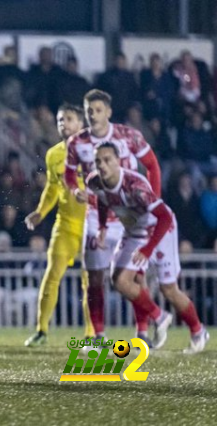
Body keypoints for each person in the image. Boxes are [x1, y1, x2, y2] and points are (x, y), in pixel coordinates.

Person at [88, 142, 208, 354]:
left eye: (107, 160)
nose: (102, 165)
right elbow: (103, 200)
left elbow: (164, 216)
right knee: (119, 280)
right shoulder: (96, 181)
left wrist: (148, 248)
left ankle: (198, 331)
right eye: (98, 161)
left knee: (168, 289)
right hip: (134, 231)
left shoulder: (135, 187)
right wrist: (103, 226)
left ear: (118, 161)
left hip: (159, 230)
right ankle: (159, 317)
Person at [65, 89, 162, 346]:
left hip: (130, 218)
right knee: (95, 278)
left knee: (135, 279)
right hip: (96, 218)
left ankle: (142, 333)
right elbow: (68, 174)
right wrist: (75, 190)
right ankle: (98, 337)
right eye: (89, 111)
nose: (93, 115)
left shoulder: (128, 136)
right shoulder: (77, 142)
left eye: (98, 110)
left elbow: (152, 165)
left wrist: (153, 200)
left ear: (108, 111)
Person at [24, 104, 93, 347]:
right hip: (65, 224)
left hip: (91, 226)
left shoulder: (94, 150)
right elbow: (53, 188)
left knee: (90, 281)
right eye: (60, 119)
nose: (64, 123)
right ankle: (41, 330)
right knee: (52, 275)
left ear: (81, 124)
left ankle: (91, 335)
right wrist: (40, 212)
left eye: (69, 119)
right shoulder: (53, 154)